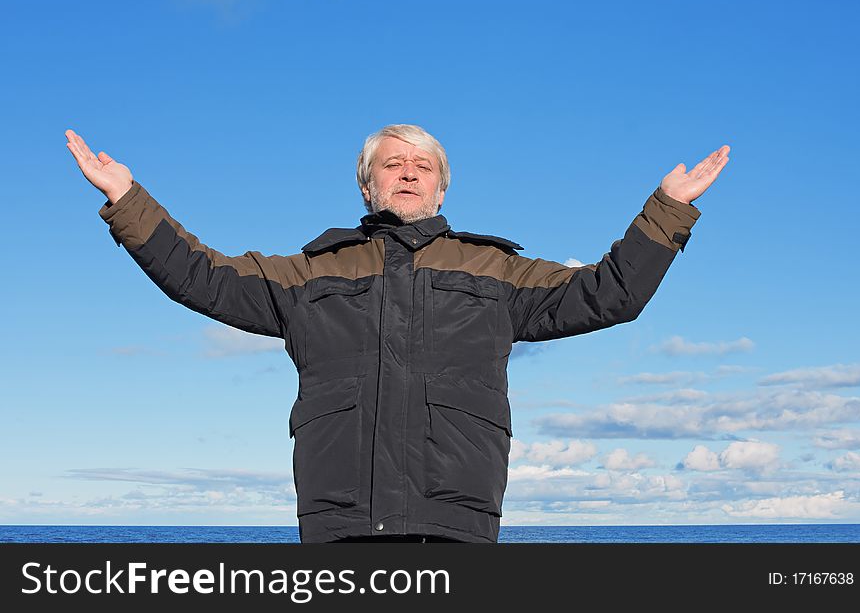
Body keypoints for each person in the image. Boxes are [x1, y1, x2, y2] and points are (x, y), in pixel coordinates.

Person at [65, 124, 730, 543]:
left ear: (440, 190)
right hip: (340, 522)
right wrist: (127, 200)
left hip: (455, 521)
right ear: (366, 184)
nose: (408, 172)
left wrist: (668, 209)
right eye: (392, 162)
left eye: (423, 165)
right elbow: (200, 276)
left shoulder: (497, 270)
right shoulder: (305, 275)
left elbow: (609, 292)